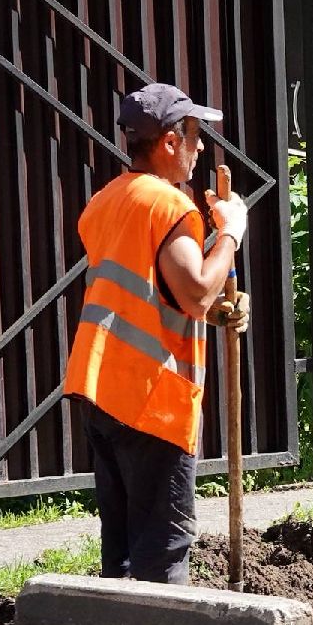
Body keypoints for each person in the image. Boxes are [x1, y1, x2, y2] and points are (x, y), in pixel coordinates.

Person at [63, 83, 251, 585]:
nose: (202, 147)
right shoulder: (169, 206)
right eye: (194, 134)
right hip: (151, 397)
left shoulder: (108, 201)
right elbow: (193, 291)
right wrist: (230, 232)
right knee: (162, 550)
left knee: (123, 545)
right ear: (169, 142)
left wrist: (217, 313)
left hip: (101, 389)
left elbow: (149, 294)